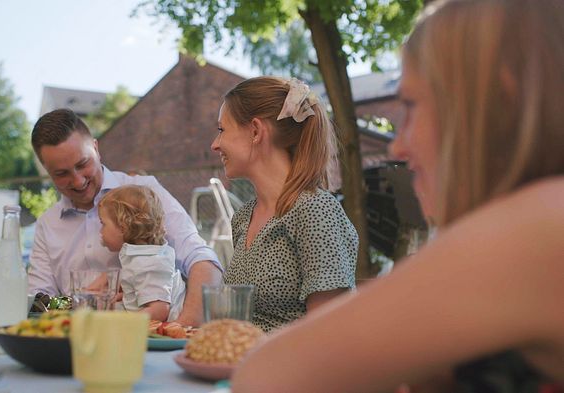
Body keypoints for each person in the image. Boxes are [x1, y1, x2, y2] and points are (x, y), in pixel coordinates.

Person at [231, 0, 564, 391]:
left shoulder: (539, 230)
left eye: (410, 105)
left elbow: (266, 376)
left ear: (499, 103)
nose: (397, 147)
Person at [28, 108, 222, 326]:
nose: (78, 181)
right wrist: (80, 303)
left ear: (95, 148)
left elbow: (202, 260)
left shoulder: (144, 193)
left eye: (82, 164)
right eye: (62, 174)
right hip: (76, 341)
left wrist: (181, 328)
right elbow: (40, 299)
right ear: (47, 172)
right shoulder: (47, 224)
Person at [212, 76, 358, 332]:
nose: (215, 144)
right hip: (242, 366)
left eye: (222, 130)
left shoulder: (315, 210)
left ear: (256, 131)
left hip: (295, 371)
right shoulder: (243, 218)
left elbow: (330, 331)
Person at [97, 185, 185, 322]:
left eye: (103, 224)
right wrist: (128, 298)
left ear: (122, 227)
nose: (100, 231)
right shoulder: (143, 258)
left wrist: (123, 323)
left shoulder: (148, 263)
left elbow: (160, 310)